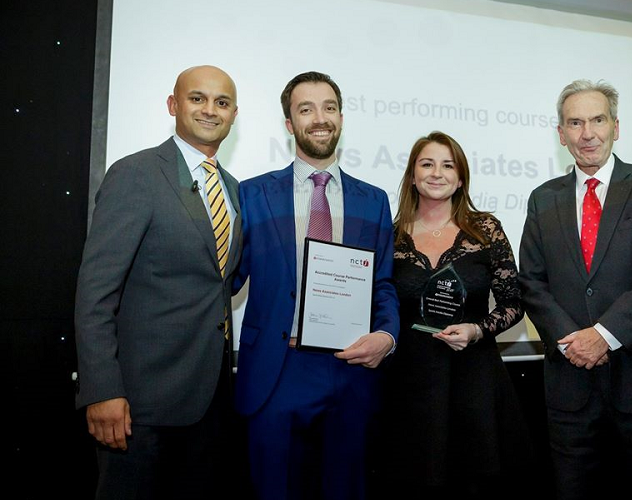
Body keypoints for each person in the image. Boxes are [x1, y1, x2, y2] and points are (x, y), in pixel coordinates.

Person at [74, 65, 242, 499]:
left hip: (209, 404)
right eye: (197, 98)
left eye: (221, 102)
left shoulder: (233, 189)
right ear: (173, 105)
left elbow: (217, 283)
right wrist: (102, 390)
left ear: (234, 114)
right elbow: (96, 293)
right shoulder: (136, 173)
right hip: (138, 405)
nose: (210, 110)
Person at [518, 79, 632, 500]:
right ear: (560, 134)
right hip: (570, 387)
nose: (587, 133)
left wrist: (604, 335)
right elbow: (531, 282)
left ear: (617, 126)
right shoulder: (543, 198)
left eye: (597, 120)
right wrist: (574, 342)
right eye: (574, 123)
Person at [233, 71, 399, 500]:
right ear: (290, 124)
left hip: (351, 370)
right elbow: (225, 280)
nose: (319, 118)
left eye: (328, 107)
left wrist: (387, 334)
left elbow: (383, 283)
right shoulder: (251, 194)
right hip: (276, 368)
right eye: (305, 109)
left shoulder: (374, 199)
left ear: (341, 117)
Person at [380, 131, 532, 499]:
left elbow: (514, 303)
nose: (437, 173)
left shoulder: (486, 230)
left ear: (461, 176)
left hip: (474, 382)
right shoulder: (390, 234)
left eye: (448, 165)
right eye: (427, 164)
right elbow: (374, 302)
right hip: (408, 385)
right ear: (412, 175)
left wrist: (478, 330)